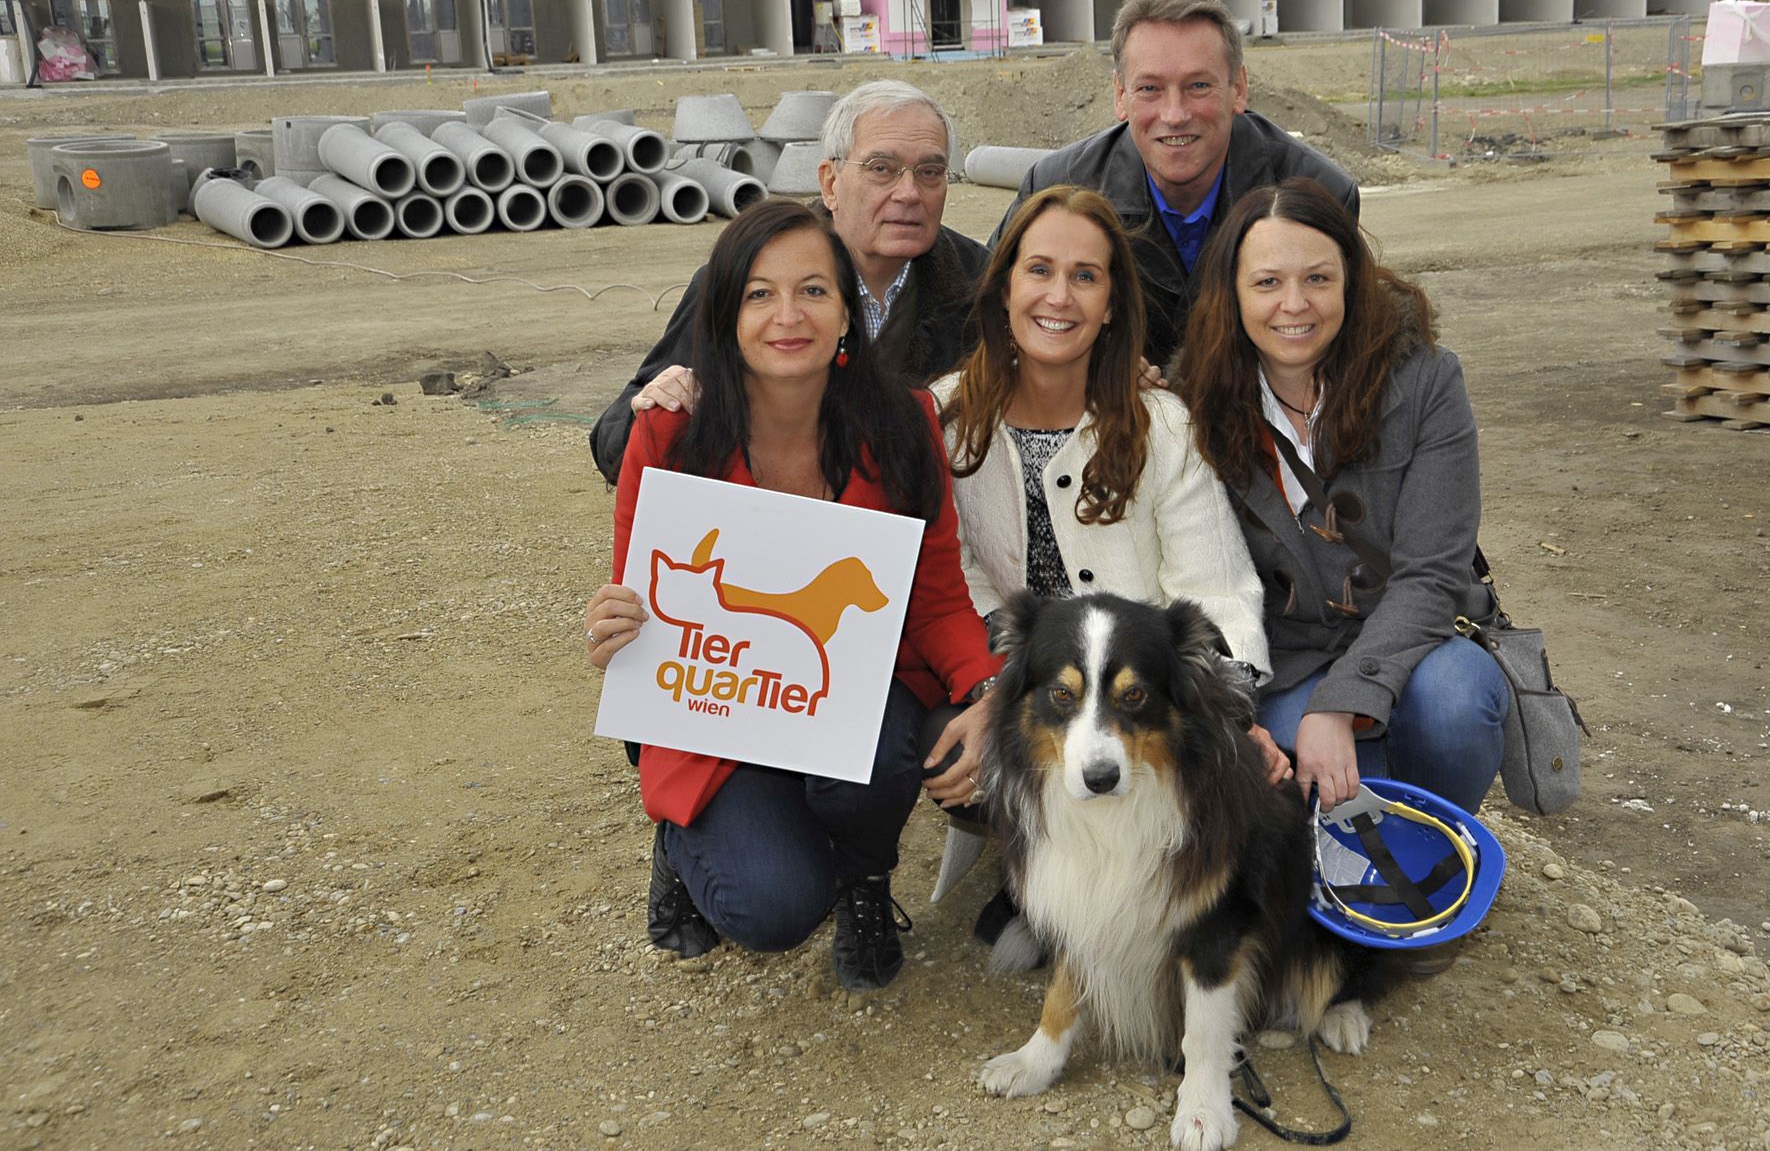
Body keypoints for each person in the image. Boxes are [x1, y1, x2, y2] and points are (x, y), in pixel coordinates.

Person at [582, 198, 1002, 992]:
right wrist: (613, 624)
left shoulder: (904, 424)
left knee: (876, 761)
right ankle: (685, 846)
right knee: (773, 908)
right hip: (719, 711)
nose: (788, 316)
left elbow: (937, 596)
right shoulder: (670, 431)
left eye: (813, 290)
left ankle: (867, 878)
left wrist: (988, 691)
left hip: (851, 701)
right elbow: (639, 602)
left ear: (850, 311)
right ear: (725, 312)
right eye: (759, 294)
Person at [922, 183, 1283, 966]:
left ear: (1114, 303)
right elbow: (951, 582)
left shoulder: (1163, 423)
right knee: (956, 744)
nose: (1060, 295)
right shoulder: (946, 420)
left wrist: (1233, 712)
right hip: (1021, 684)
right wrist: (994, 690)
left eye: (1086, 276)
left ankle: (1122, 905)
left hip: (1137, 696)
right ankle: (1042, 877)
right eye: (1039, 270)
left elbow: (1214, 588)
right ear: (1005, 285)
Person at [1177, 177, 1508, 825]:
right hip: (1287, 660)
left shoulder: (1425, 382)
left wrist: (1341, 703)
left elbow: (1433, 573)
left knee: (1455, 704)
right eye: (1267, 282)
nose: (1294, 304)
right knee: (1338, 801)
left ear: (1351, 282)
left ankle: (1438, 843)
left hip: (1416, 645)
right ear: (1232, 294)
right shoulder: (1195, 402)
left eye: (1319, 279)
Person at [589, 80, 988, 484]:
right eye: (881, 169)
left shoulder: (983, 285)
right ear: (830, 183)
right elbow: (615, 440)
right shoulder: (745, 277)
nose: (909, 193)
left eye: (930, 172)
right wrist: (659, 406)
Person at [993, 0, 1360, 368]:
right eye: (1150, 88)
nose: (1175, 114)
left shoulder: (1318, 194)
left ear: (1239, 88)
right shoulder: (1059, 187)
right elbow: (991, 313)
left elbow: (1347, 341)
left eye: (1198, 86)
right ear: (1120, 95)